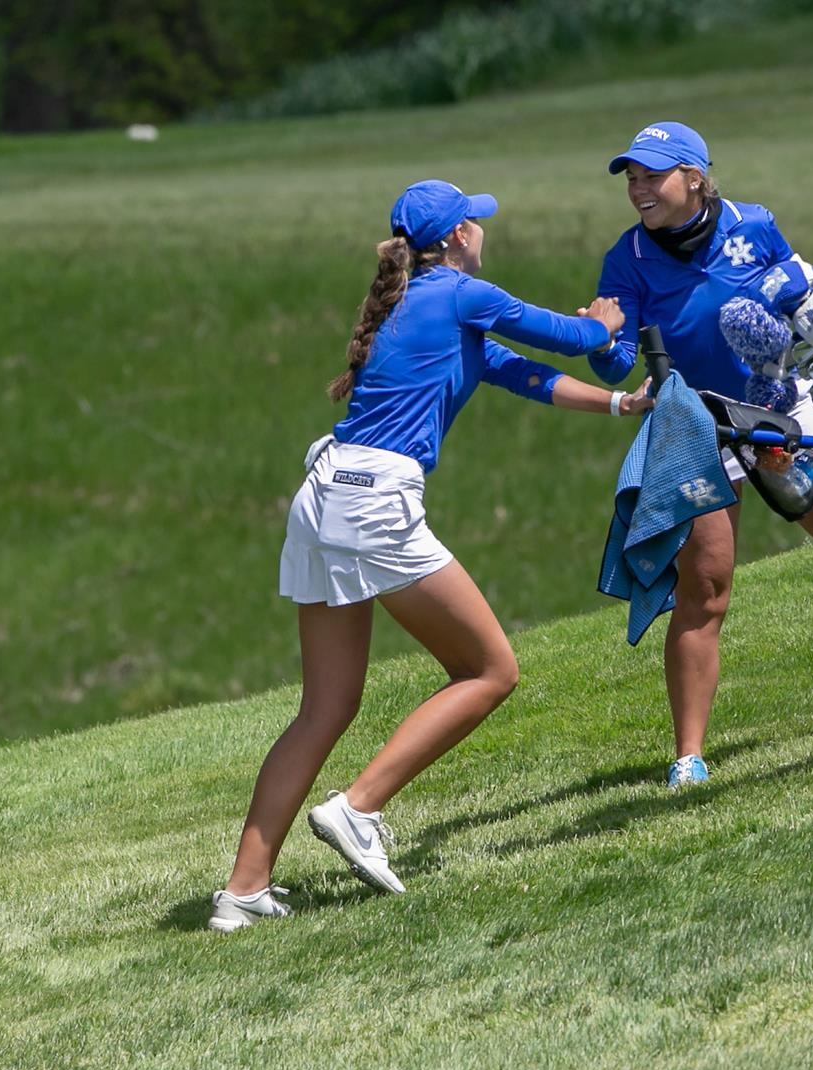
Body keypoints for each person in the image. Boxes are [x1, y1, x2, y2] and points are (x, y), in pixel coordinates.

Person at [209, 179, 652, 933]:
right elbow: (561, 336)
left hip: (324, 496)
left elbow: (525, 375)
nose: (483, 230)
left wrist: (617, 403)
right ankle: (358, 808)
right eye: (475, 221)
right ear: (453, 241)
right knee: (490, 671)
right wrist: (606, 321)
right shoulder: (457, 293)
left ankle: (242, 893)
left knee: (325, 706)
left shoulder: (424, 305)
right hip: (374, 504)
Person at [590, 122, 813, 788]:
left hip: (779, 407)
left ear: (694, 176)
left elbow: (802, 302)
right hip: (698, 426)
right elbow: (618, 361)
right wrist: (602, 343)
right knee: (704, 592)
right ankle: (688, 758)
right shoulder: (625, 259)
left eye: (650, 175)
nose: (637, 189)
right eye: (630, 177)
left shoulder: (756, 224)